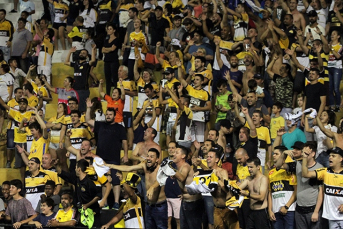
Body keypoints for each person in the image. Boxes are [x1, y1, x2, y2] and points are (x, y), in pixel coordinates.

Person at [103, 148, 168, 229]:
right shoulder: (144, 166)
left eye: (152, 156)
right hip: (148, 206)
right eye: (148, 156)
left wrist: (152, 187)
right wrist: (111, 166)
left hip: (160, 207)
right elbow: (128, 168)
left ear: (157, 159)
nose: (148, 158)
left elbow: (159, 181)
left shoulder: (161, 169)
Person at [86, 100, 128, 210]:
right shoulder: (100, 125)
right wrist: (89, 108)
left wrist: (126, 154)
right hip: (101, 159)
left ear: (114, 116)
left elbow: (124, 142)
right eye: (107, 114)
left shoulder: (120, 128)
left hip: (114, 159)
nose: (108, 116)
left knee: (116, 180)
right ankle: (104, 203)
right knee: (104, 181)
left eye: (110, 115)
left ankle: (116, 202)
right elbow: (87, 120)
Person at [302, 146, 343, 229]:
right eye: (330, 155)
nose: (330, 157)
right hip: (330, 217)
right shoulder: (325, 172)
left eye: (333, 156)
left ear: (341, 159)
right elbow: (305, 174)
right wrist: (304, 158)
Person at [57, 159, 102, 227]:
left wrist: (87, 205)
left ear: (79, 169)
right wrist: (56, 165)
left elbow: (98, 196)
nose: (74, 169)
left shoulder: (89, 182)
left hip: (93, 213)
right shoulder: (76, 179)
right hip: (82, 213)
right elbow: (62, 173)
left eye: (75, 167)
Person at [207, 149, 239, 229]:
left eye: (211, 157)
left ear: (217, 160)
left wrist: (217, 179)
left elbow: (227, 191)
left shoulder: (222, 172)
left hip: (227, 209)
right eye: (207, 157)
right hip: (216, 209)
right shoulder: (206, 174)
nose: (208, 158)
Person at [173, 146, 203, 229]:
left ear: (183, 156)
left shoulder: (185, 166)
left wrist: (172, 171)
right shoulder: (178, 168)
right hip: (186, 202)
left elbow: (182, 178)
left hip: (192, 203)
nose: (173, 154)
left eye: (176, 152)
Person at [269, 146, 297, 229]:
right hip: (276, 211)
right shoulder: (271, 172)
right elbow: (270, 193)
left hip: (289, 210)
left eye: (276, 154)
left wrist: (286, 207)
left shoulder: (289, 170)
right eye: (273, 153)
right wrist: (270, 210)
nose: (274, 155)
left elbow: (296, 191)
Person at [238, 157, 270, 229]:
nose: (249, 169)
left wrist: (247, 194)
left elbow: (261, 197)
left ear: (258, 167)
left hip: (261, 212)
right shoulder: (248, 179)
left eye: (251, 167)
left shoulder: (263, 179)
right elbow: (238, 189)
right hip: (251, 212)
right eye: (248, 167)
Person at [64, 45, 97, 112]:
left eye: (84, 53)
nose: (82, 54)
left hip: (83, 90)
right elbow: (65, 62)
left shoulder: (87, 64)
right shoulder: (75, 63)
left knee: (82, 109)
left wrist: (93, 50)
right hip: (75, 89)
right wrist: (70, 52)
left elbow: (93, 60)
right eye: (81, 53)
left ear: (87, 56)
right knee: (74, 108)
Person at [102, 23, 120, 94]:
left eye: (110, 29)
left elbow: (113, 49)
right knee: (107, 79)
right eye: (108, 29)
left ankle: (117, 93)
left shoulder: (116, 39)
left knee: (115, 78)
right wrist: (109, 49)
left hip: (114, 61)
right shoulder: (106, 40)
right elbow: (102, 50)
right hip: (107, 61)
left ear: (114, 30)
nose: (108, 30)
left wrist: (107, 49)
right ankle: (108, 94)